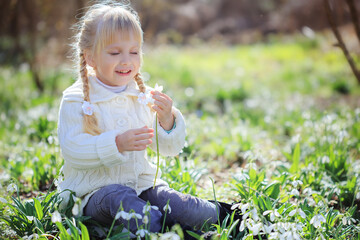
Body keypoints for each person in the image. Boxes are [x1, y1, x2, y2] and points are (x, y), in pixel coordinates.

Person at [56, 1, 236, 238]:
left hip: (141, 184)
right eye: (114, 52)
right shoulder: (76, 99)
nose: (126, 60)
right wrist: (116, 143)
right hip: (92, 196)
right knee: (123, 203)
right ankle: (164, 231)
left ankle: (228, 216)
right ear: (90, 57)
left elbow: (169, 148)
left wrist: (166, 120)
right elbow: (72, 150)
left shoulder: (141, 96)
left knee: (177, 203)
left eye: (134, 51)